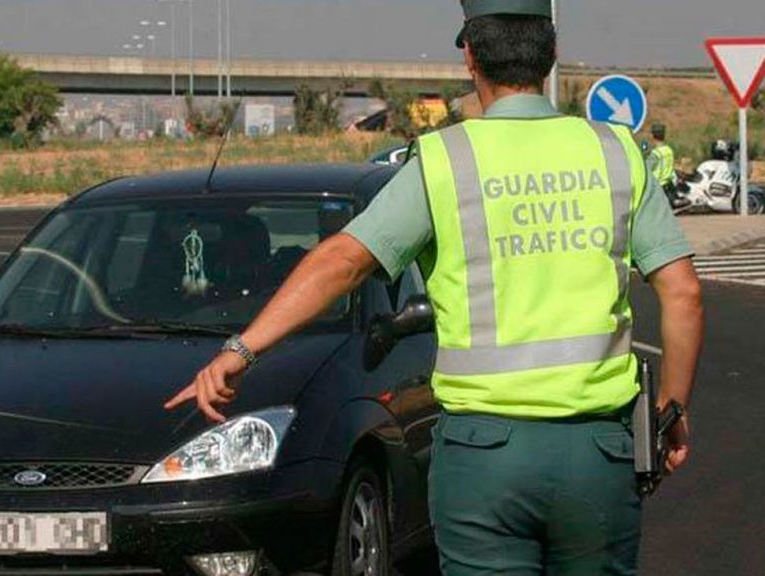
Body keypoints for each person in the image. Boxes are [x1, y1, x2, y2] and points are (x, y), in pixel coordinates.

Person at [165, 1, 704, 573]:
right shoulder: (617, 153)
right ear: (552, 56)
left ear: (470, 57)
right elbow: (684, 293)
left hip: (484, 458)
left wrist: (242, 349)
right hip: (598, 454)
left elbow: (344, 260)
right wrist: (670, 412)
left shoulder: (445, 161)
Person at [649, 123, 677, 190]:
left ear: (652, 136)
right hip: (669, 185)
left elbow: (647, 170)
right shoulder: (669, 150)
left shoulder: (655, 153)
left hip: (658, 187)